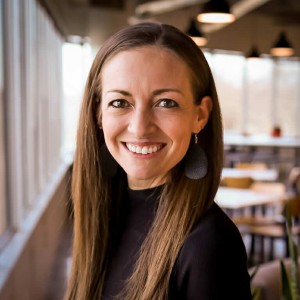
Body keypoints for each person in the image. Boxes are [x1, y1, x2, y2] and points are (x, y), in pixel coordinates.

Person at [65, 22, 252, 300]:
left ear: (200, 116)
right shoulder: (102, 212)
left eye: (166, 102)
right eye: (120, 102)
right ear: (98, 113)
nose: (140, 128)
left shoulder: (209, 245)